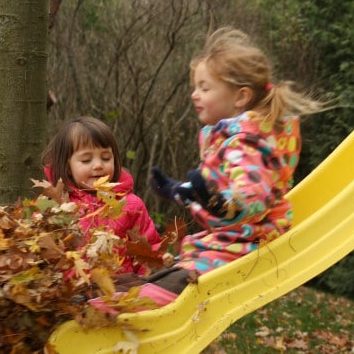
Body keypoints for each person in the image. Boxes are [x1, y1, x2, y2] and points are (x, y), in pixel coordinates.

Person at [89, 27, 328, 312]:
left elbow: (252, 194)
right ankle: (105, 297)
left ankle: (114, 306)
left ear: (240, 97)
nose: (194, 95)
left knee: (174, 285)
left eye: (204, 88)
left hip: (240, 252)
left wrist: (222, 204)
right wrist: (179, 190)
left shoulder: (247, 144)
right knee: (158, 277)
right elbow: (214, 190)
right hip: (224, 246)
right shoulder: (233, 139)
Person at [41, 116, 162, 276]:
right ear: (67, 166)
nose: (98, 165)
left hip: (123, 291)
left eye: (106, 158)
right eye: (86, 160)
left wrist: (146, 283)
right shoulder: (56, 208)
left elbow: (148, 251)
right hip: (74, 295)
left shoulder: (131, 205)